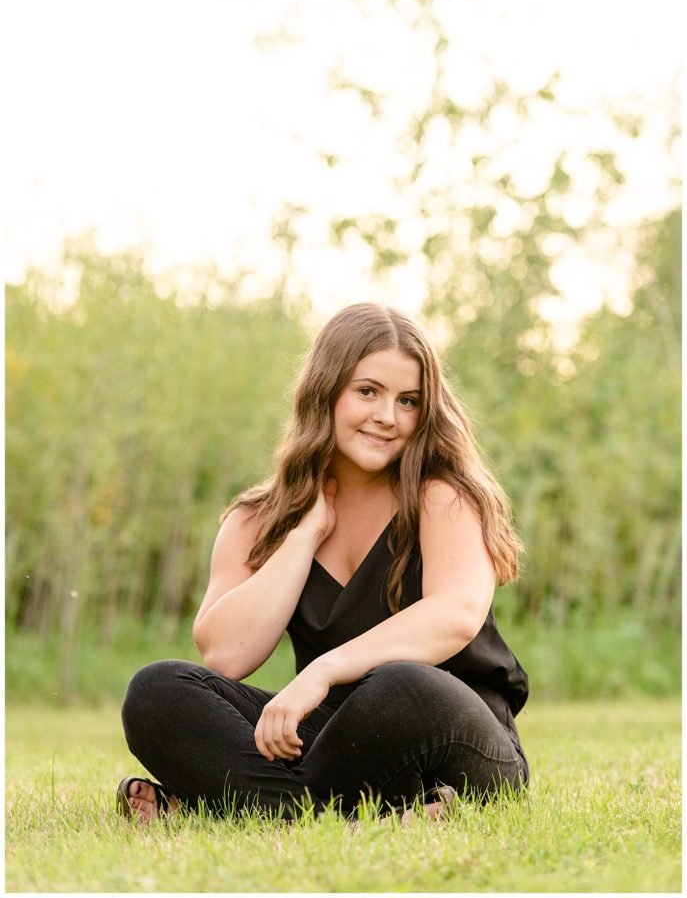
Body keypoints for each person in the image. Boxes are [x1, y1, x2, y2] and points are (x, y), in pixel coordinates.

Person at [117, 302, 529, 823]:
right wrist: (304, 534)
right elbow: (226, 654)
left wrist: (323, 670)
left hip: (451, 737)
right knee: (158, 691)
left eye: (408, 401)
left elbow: (455, 615)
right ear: (325, 391)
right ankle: (362, 816)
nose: (387, 416)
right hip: (332, 748)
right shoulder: (256, 520)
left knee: (403, 683)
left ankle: (223, 805)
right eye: (367, 391)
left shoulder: (442, 497)